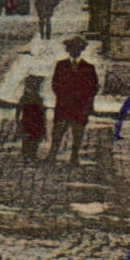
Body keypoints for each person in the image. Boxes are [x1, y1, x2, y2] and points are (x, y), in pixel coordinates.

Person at [49, 35, 99, 164]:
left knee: (78, 132)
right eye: (72, 48)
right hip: (64, 105)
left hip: (80, 106)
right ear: (68, 50)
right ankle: (52, 155)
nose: (75, 51)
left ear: (81, 50)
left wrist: (86, 101)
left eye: (77, 49)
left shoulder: (88, 67)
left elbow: (93, 87)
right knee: (58, 131)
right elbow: (55, 84)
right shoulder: (61, 65)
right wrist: (63, 97)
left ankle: (74, 157)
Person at [17, 74, 47, 160]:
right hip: (34, 122)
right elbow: (42, 113)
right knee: (33, 137)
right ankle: (30, 154)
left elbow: (19, 111)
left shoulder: (25, 98)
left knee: (30, 137)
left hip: (29, 122)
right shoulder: (37, 99)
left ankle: (28, 154)